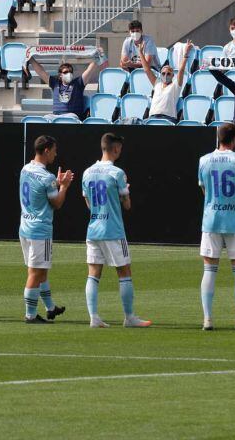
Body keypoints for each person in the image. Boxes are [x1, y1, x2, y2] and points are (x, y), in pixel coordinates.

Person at [82, 133, 151, 328]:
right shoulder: (117, 173)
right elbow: (127, 204)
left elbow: (89, 204)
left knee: (93, 273)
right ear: (115, 149)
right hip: (112, 230)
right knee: (124, 271)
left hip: (93, 229)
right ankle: (129, 317)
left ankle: (94, 317)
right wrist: (124, 195)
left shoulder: (87, 172)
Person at [197, 122, 235, 331]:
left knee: (209, 270)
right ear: (234, 139)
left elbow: (204, 189)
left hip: (212, 220)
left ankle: (208, 319)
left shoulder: (204, 161)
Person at [19, 135, 74, 324]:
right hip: (39, 229)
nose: (56, 154)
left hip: (25, 226)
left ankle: (50, 308)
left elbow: (38, 193)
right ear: (47, 150)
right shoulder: (47, 177)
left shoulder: (25, 169)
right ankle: (30, 315)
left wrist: (56, 185)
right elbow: (57, 203)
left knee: (40, 271)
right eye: (54, 150)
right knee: (35, 274)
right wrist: (64, 187)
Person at [28, 53, 102, 120]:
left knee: (71, 117)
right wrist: (30, 58)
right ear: (60, 75)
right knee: (45, 118)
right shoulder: (55, 83)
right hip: (56, 116)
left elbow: (90, 69)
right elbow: (41, 71)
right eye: (66, 72)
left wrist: (98, 55)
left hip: (72, 116)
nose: (69, 74)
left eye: (70, 72)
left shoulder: (78, 83)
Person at [144, 41, 193, 122]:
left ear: (173, 75)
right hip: (152, 118)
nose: (165, 75)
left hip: (168, 119)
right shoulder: (157, 83)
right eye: (163, 73)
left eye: (168, 73)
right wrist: (141, 53)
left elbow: (181, 70)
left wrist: (186, 53)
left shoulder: (175, 86)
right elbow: (146, 69)